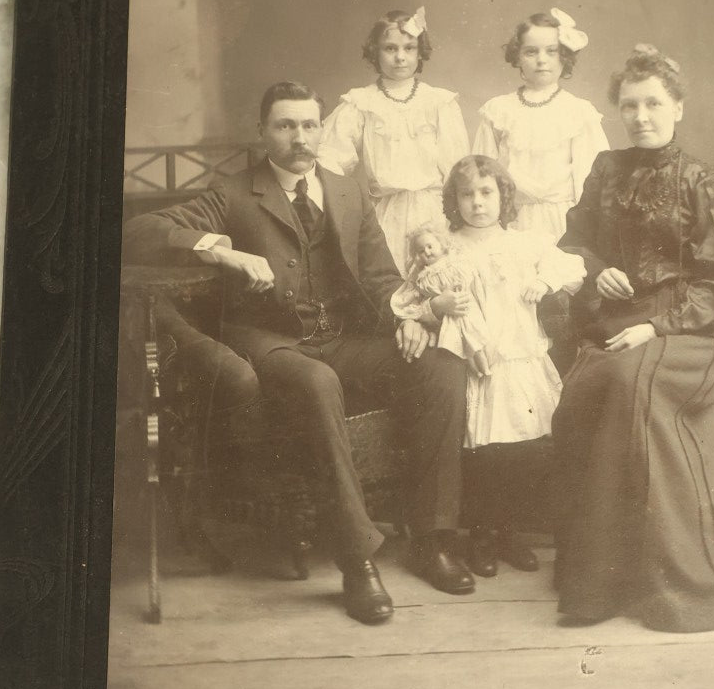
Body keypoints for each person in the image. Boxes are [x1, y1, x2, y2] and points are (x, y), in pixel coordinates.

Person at [122, 80, 478, 626]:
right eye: (286, 126)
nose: (300, 137)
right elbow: (140, 229)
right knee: (316, 382)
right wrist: (222, 250)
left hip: (342, 338)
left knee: (440, 368)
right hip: (271, 341)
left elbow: (381, 278)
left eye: (309, 125)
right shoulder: (235, 192)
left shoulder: (347, 191)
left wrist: (412, 317)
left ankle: (434, 539)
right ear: (263, 132)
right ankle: (357, 561)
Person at [553, 46, 714, 630]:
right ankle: (598, 569)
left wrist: (656, 324)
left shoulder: (703, 178)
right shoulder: (604, 170)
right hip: (617, 318)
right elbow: (570, 244)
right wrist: (596, 269)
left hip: (691, 327)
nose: (641, 116)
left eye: (653, 104)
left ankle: (625, 579)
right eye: (629, 105)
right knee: (594, 383)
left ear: (678, 108)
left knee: (626, 382)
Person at [438, 155, 585, 577]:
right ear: (454, 201)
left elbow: (571, 265)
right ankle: (481, 534)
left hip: (522, 359)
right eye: (466, 194)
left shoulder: (524, 243)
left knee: (523, 449)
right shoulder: (448, 248)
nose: (477, 203)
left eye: (487, 193)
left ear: (503, 196)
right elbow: (437, 299)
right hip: (478, 360)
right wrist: (470, 343)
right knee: (484, 453)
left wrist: (544, 282)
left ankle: (509, 532)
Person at [317, 7, 470, 270]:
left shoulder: (438, 102)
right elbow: (329, 158)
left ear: (419, 52)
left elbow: (458, 168)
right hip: (385, 213)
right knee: (390, 280)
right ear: (375, 52)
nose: (400, 57)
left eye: (409, 48)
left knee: (440, 281)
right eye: (390, 48)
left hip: (435, 212)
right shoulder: (361, 102)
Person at [472, 8, 609, 239]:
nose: (542, 60)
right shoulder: (498, 111)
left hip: (564, 222)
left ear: (565, 55)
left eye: (552, 51)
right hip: (511, 222)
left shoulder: (579, 112)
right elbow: (480, 173)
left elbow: (593, 181)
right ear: (517, 57)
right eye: (531, 52)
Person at [391, 224, 493, 378]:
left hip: (466, 306)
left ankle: (485, 368)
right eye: (421, 251)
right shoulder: (424, 276)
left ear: (441, 244)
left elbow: (468, 277)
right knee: (458, 348)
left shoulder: (455, 261)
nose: (427, 252)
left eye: (430, 246)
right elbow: (421, 294)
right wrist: (437, 299)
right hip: (448, 316)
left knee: (476, 338)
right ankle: (477, 371)